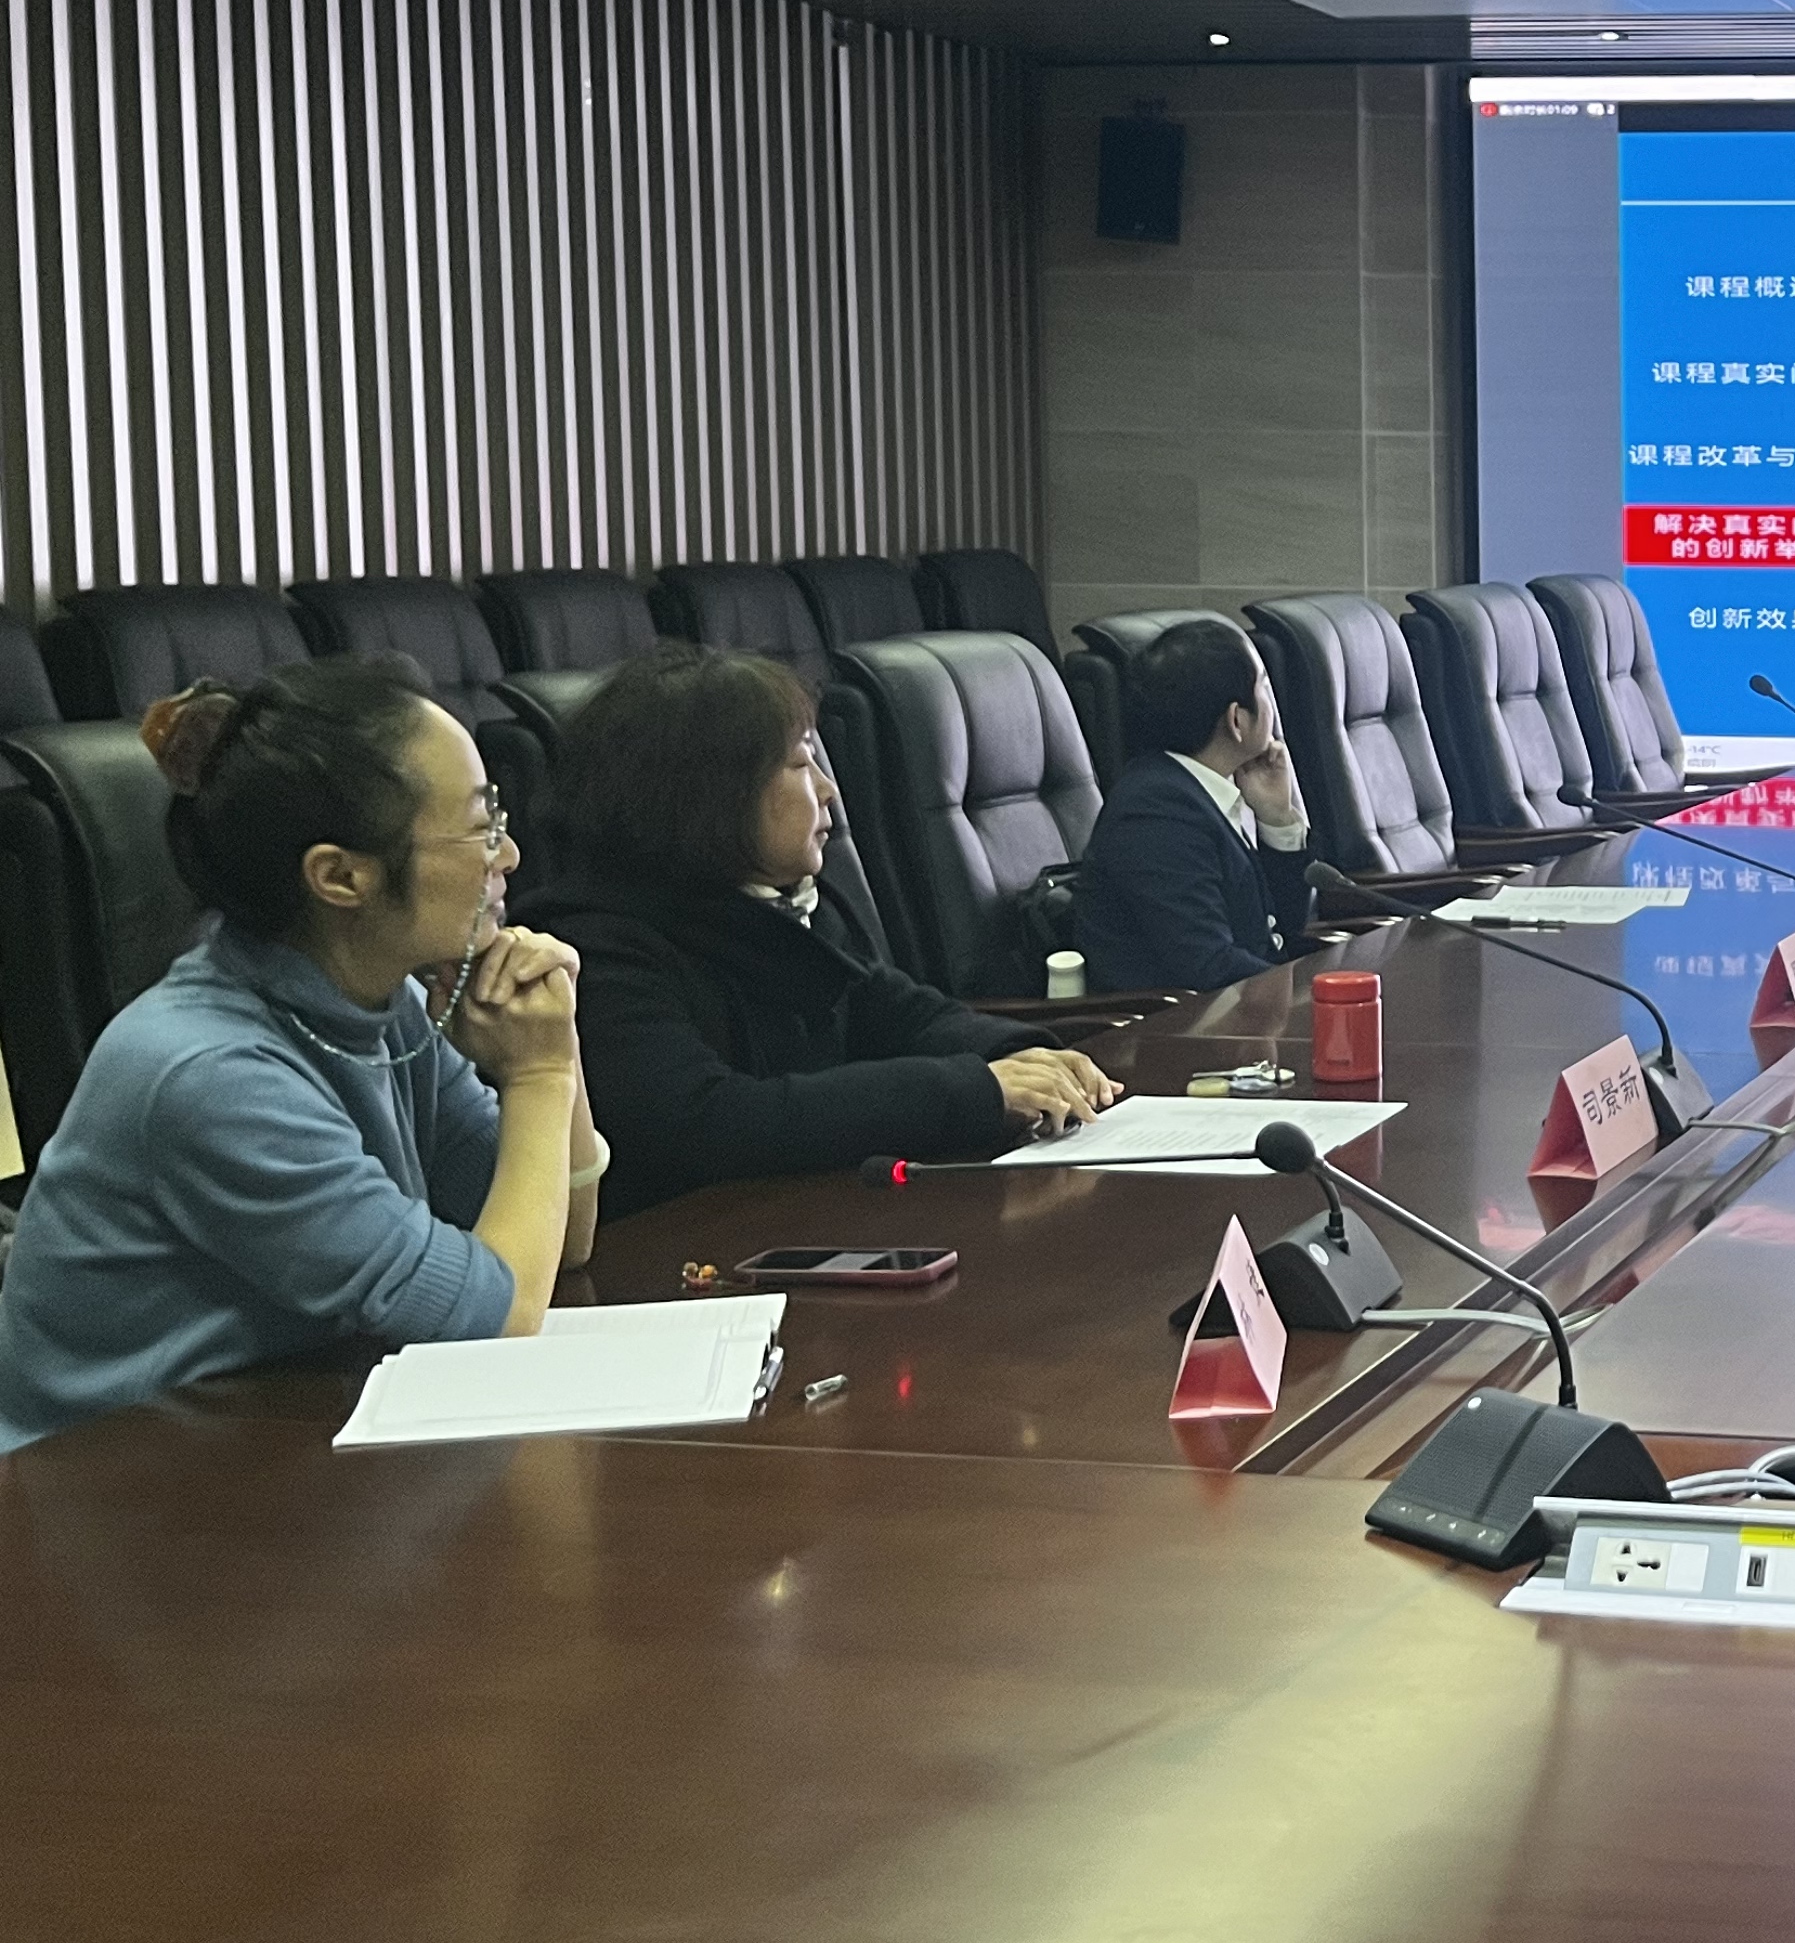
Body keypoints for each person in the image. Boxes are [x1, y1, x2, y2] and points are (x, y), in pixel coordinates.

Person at [0, 658, 597, 1450]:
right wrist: (538, 1074)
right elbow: (499, 1319)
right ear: (340, 876)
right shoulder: (211, 1074)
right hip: (99, 1478)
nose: (509, 855)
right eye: (481, 827)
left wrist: (556, 1048)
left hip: (267, 1442)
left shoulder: (387, 1003)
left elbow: (559, 1242)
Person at [529, 643, 1120, 1219]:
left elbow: (899, 1012)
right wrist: (973, 1091)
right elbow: (706, 1121)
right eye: (799, 764)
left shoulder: (788, 905)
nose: (827, 788)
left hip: (796, 1219)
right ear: (712, 796)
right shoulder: (597, 948)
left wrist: (1018, 1055)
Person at [1077, 616, 1318, 992]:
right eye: (1263, 687)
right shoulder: (1156, 814)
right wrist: (1311, 996)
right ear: (1236, 720)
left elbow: (1278, 930)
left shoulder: (1191, 788)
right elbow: (1209, 966)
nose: (1272, 705)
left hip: (1245, 1010)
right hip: (1185, 1023)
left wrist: (1275, 818)